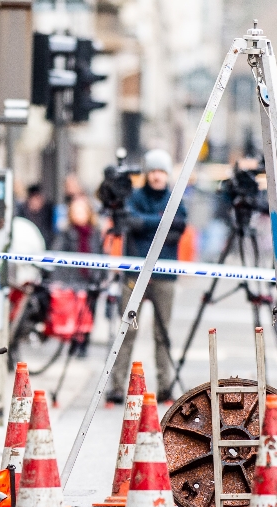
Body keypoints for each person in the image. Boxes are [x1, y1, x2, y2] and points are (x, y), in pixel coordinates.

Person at [107, 149, 186, 403]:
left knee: (162, 334)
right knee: (126, 332)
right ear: (147, 173)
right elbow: (133, 223)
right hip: (135, 275)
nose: (157, 176)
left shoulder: (175, 198)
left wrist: (148, 224)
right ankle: (117, 386)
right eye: (153, 171)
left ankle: (165, 386)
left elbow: (179, 226)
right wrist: (163, 221)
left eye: (161, 171)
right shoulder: (135, 197)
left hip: (165, 275)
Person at [53, 195, 104, 357]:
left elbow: (101, 255)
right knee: (75, 314)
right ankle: (74, 344)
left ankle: (85, 344)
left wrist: (102, 278)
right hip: (72, 280)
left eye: (81, 211)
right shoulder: (66, 232)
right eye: (75, 211)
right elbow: (57, 254)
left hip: (91, 280)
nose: (78, 214)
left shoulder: (95, 233)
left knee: (90, 313)